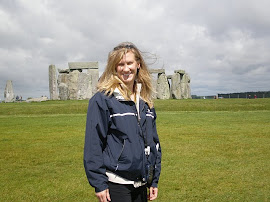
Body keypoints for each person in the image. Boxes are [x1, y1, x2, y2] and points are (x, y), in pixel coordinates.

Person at [84, 42, 162, 202]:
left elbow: (153, 142)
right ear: (114, 67)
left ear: (138, 64)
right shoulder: (103, 99)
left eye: (129, 63)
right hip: (116, 182)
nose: (126, 69)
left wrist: (153, 179)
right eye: (120, 64)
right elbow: (93, 144)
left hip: (141, 182)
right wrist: (99, 183)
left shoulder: (145, 102)